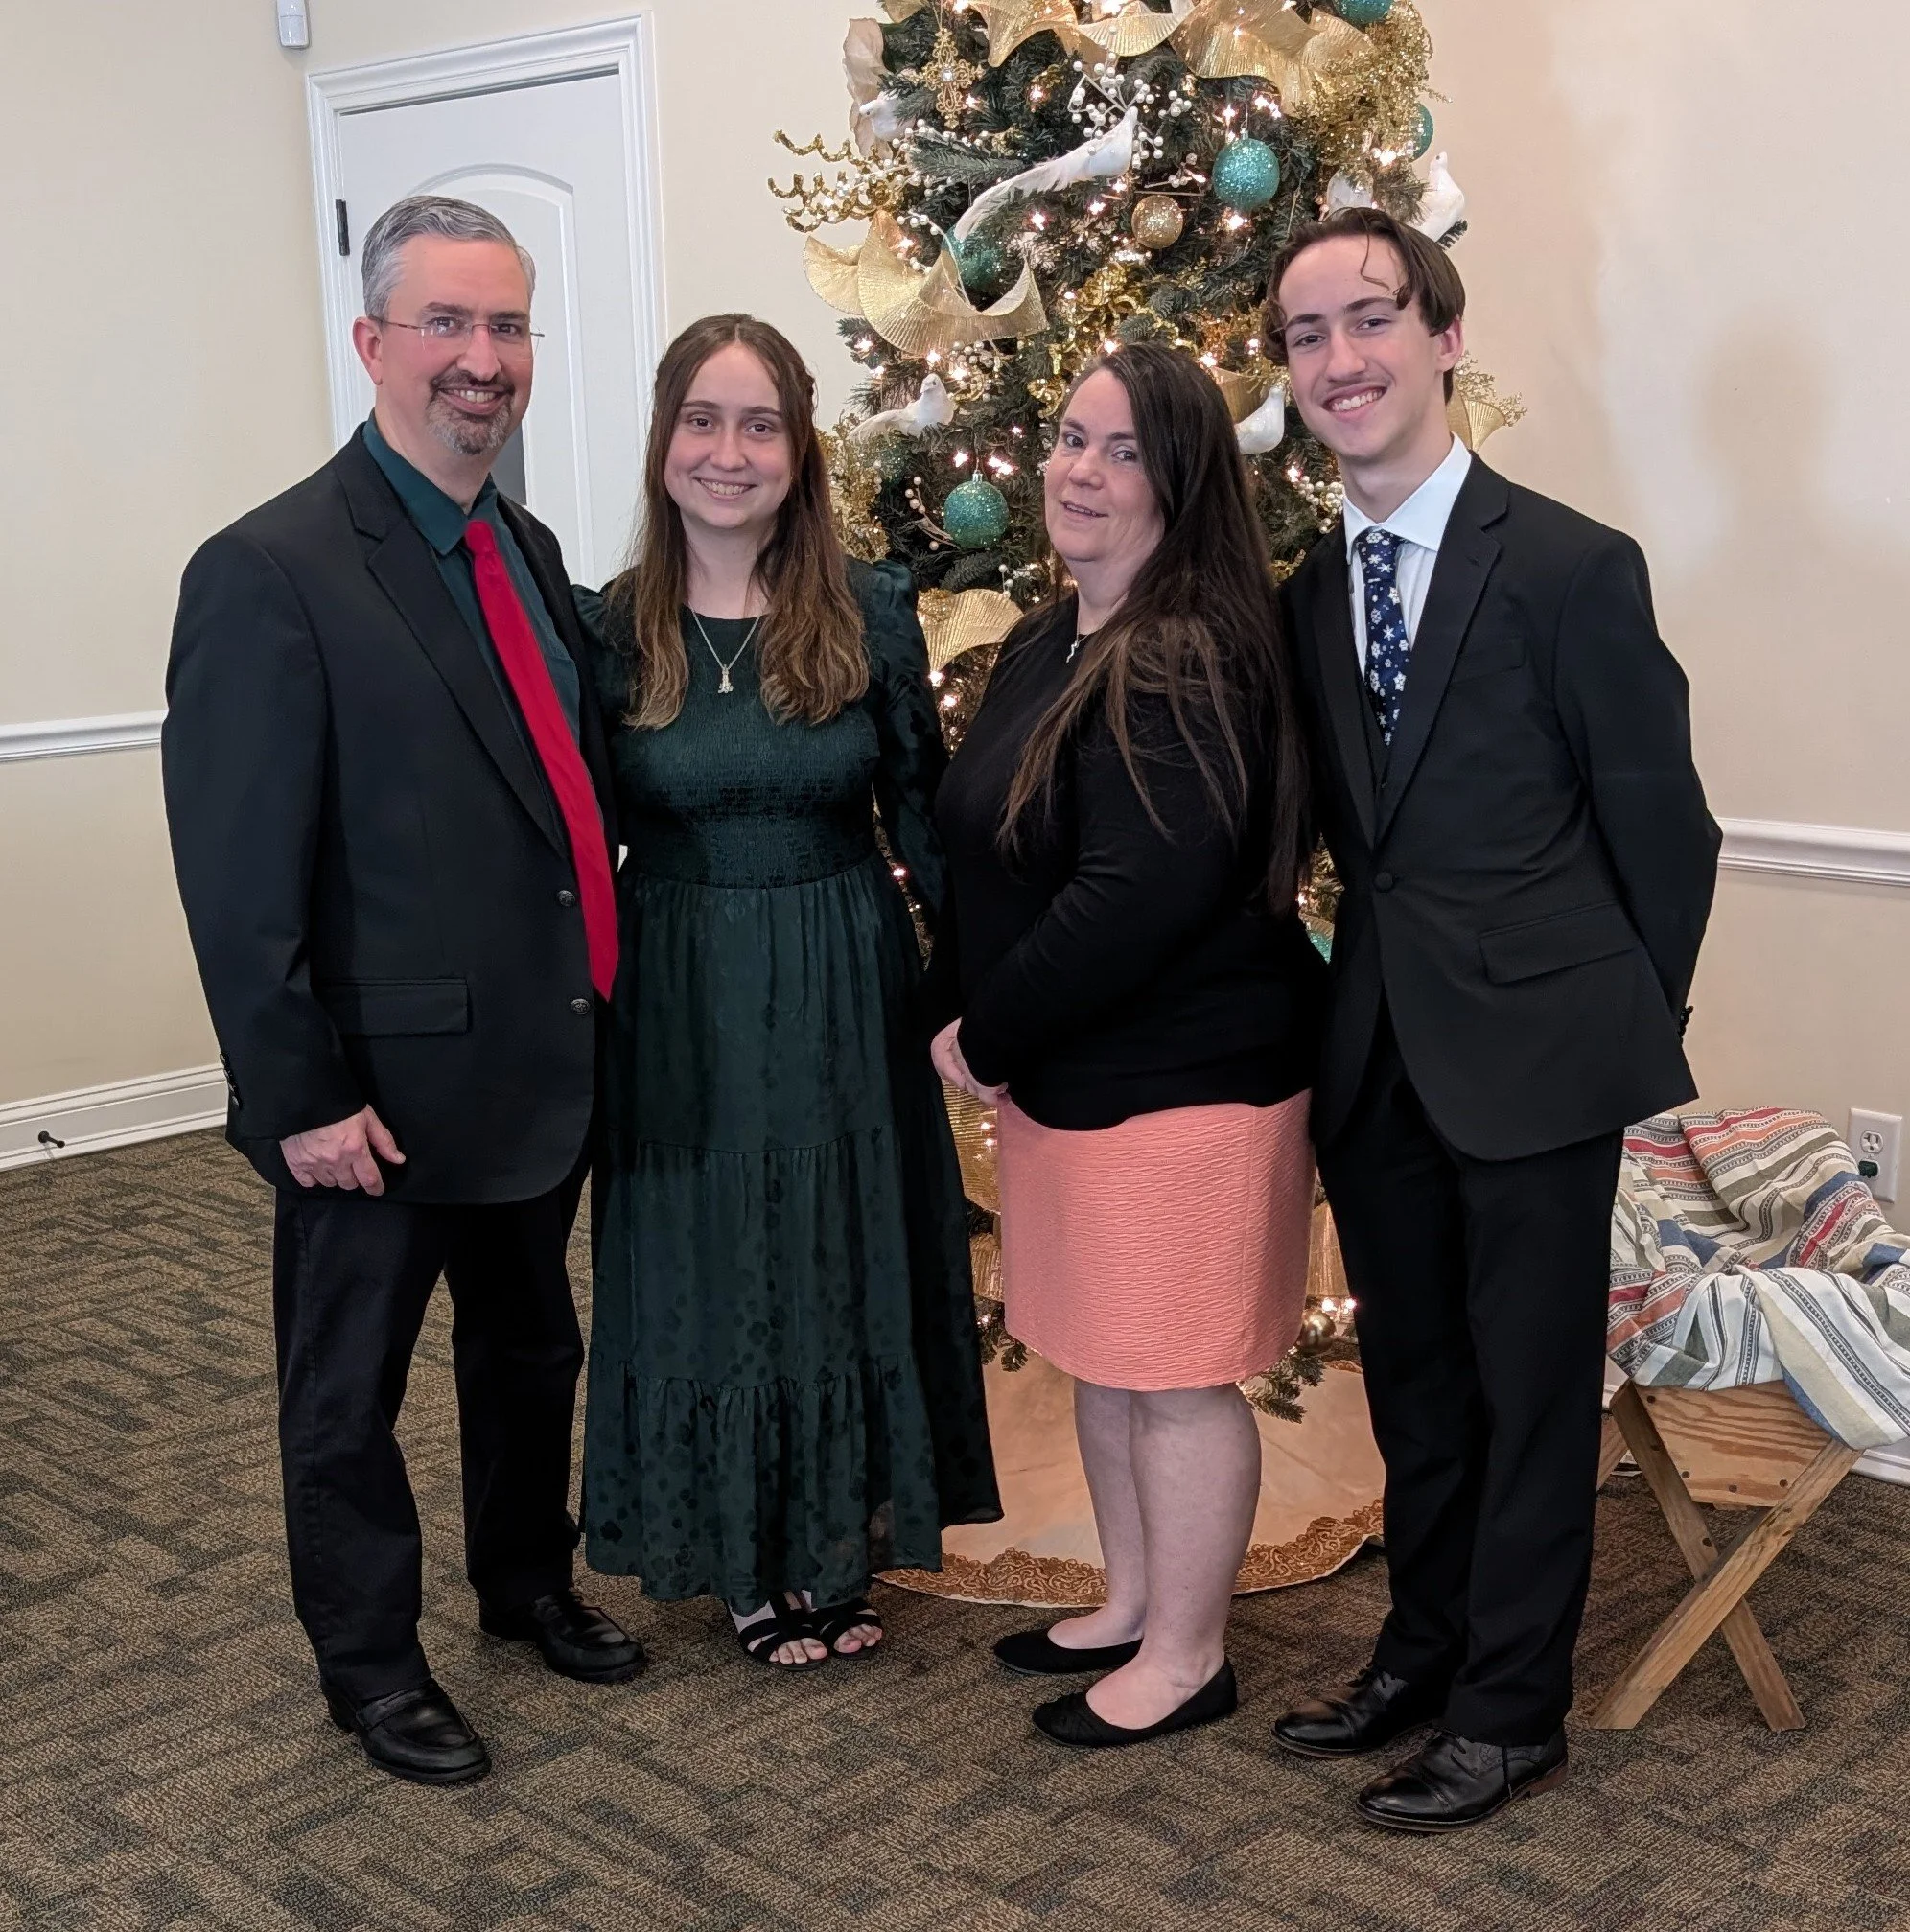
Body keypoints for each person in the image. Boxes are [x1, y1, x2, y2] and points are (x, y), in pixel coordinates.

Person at [162, 195, 642, 1789]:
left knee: (529, 1354)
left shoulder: (524, 542)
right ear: (372, 342)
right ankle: (371, 1668)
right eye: (446, 324)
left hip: (530, 1063)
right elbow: (238, 882)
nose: (482, 361)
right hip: (372, 1095)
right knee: (345, 1399)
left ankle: (524, 1583)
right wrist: (296, 1094)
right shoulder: (270, 569)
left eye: (507, 327)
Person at [1264, 207, 1719, 1829]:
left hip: (1539, 1064)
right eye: (1308, 335)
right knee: (1420, 1381)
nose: (1343, 357)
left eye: (1371, 318)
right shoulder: (1312, 588)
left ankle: (1514, 1711)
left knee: (1532, 1396)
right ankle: (1427, 1644)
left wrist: (1603, 1021)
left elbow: (1668, 832)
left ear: (1444, 338)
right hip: (1379, 1051)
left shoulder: (1575, 566)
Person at [576, 314, 999, 1668]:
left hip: (842, 978)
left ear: (800, 447)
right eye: (703, 419)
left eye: (761, 424)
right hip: (680, 987)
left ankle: (831, 1547)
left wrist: (960, 996)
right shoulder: (607, 627)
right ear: (664, 441)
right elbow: (577, 842)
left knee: (835, 1247)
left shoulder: (869, 608)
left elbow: (926, 817)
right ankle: (744, 1558)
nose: (729, 451)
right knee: (710, 1256)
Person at [932, 341, 1327, 1747]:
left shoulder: (1180, 656)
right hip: (1076, 1078)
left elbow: (1134, 898)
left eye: (1118, 453)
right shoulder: (1061, 633)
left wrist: (986, 1027)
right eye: (1067, 439)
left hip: (1180, 1084)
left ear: (1180, 487)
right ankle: (1133, 1599)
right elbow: (985, 847)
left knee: (1171, 1373)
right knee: (1109, 1353)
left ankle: (1190, 1651)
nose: (1075, 472)